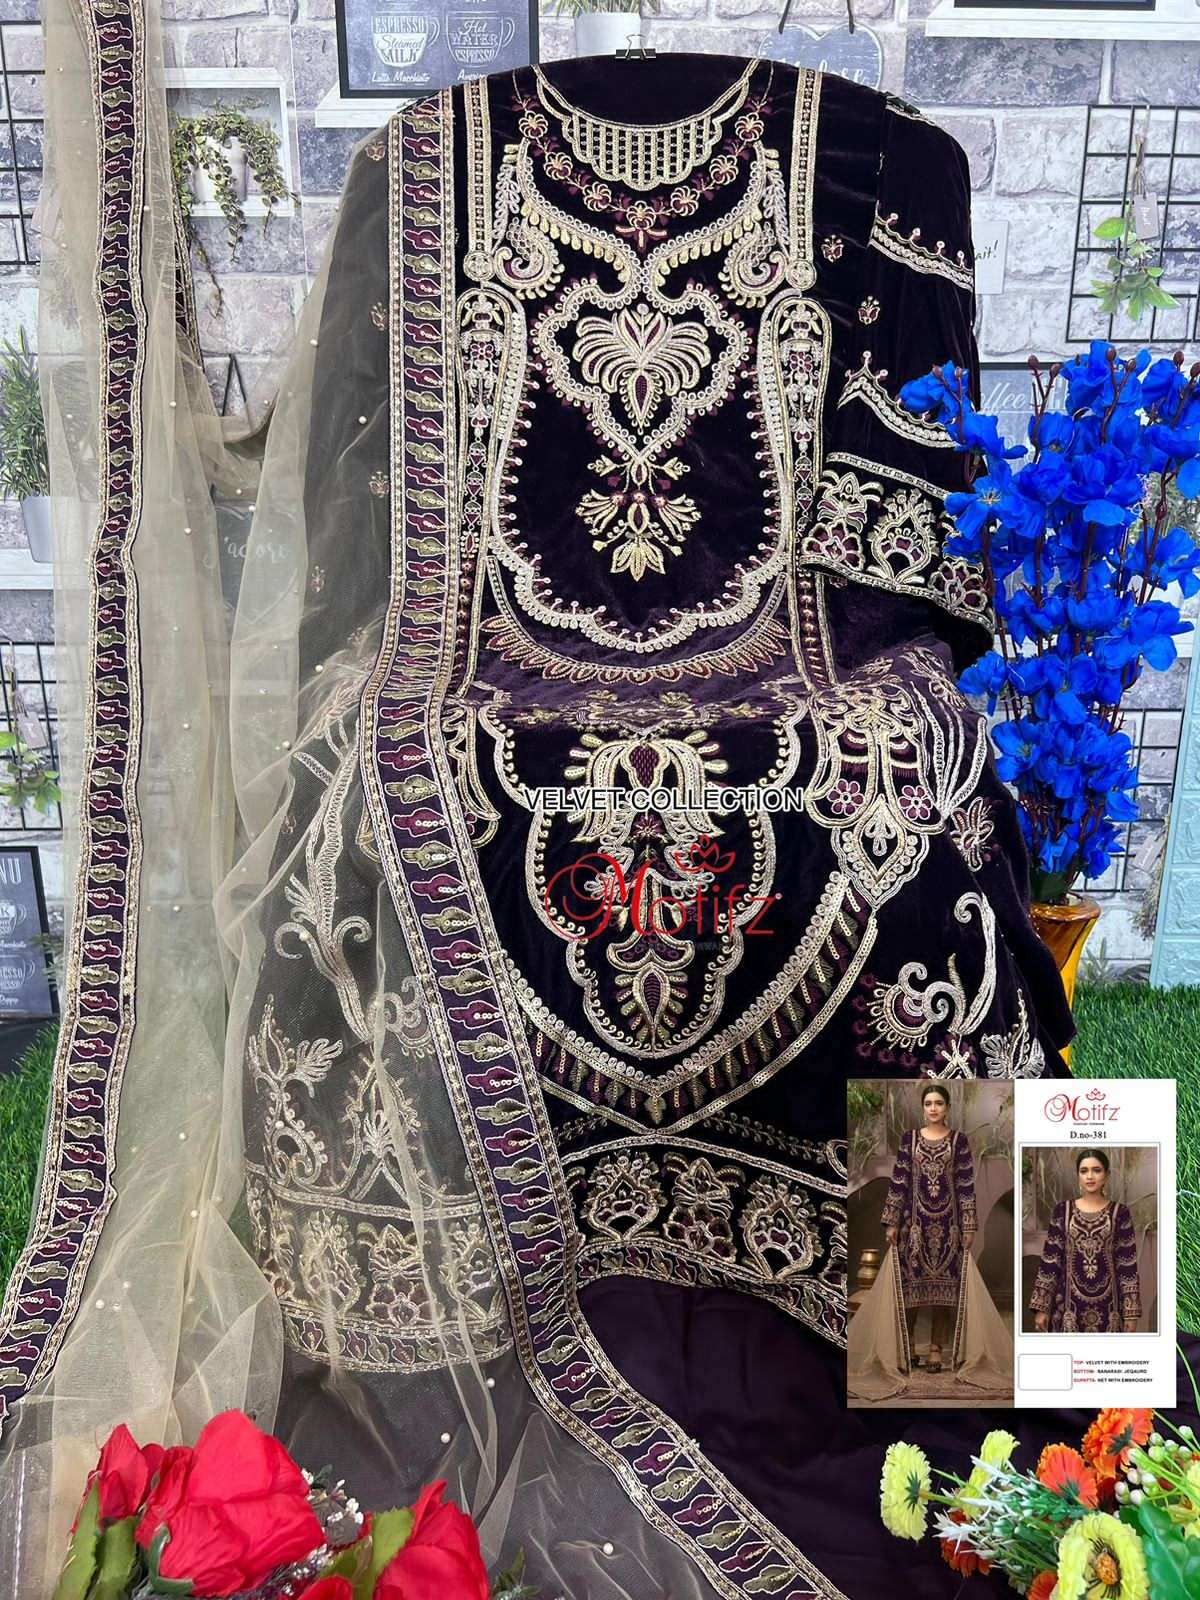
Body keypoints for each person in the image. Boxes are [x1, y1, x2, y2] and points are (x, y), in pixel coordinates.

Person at [880, 1084, 977, 1374]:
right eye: (928, 1103)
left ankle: (936, 1348)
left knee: (945, 1292)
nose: (933, 1108)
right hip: (914, 1227)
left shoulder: (958, 1141)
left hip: (949, 1227)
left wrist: (969, 1226)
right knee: (910, 1288)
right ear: (923, 1108)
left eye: (938, 1103)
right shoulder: (909, 1139)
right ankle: (908, 1346)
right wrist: (892, 1221)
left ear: (947, 1108)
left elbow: (965, 1185)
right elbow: (899, 1180)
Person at [1029, 1149, 1142, 1334]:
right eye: (1084, 1171)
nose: (1090, 1176)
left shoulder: (1119, 1213)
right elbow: (1050, 1261)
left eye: (1096, 1170)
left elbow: (1127, 1265)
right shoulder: (1062, 1211)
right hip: (1067, 1308)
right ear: (1078, 1176)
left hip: (1110, 1309)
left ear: (1106, 1175)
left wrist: (1131, 1314)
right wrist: (1042, 1307)